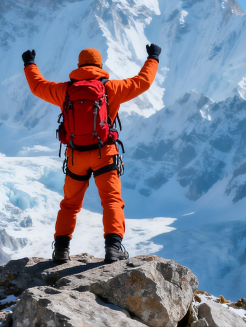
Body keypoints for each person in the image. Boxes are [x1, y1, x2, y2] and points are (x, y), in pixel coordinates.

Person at [22, 44, 161, 264]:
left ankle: (61, 250)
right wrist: (153, 57)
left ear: (79, 66)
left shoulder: (65, 91)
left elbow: (38, 86)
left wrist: (29, 64)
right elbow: (143, 81)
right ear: (100, 65)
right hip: (104, 153)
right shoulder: (111, 89)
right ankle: (113, 249)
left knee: (69, 205)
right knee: (112, 201)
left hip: (76, 156)